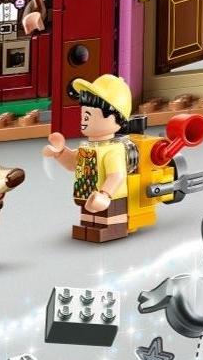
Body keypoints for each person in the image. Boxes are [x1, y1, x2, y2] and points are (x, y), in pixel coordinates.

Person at [44, 73, 140, 243]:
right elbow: (73, 164)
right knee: (89, 216)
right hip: (87, 191)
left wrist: (105, 194)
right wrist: (59, 152)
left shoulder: (113, 150)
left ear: (115, 118)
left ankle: (112, 228)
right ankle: (88, 227)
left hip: (110, 199)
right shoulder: (88, 147)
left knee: (108, 217)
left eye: (89, 114)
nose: (84, 118)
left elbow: (116, 176)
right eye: (83, 113)